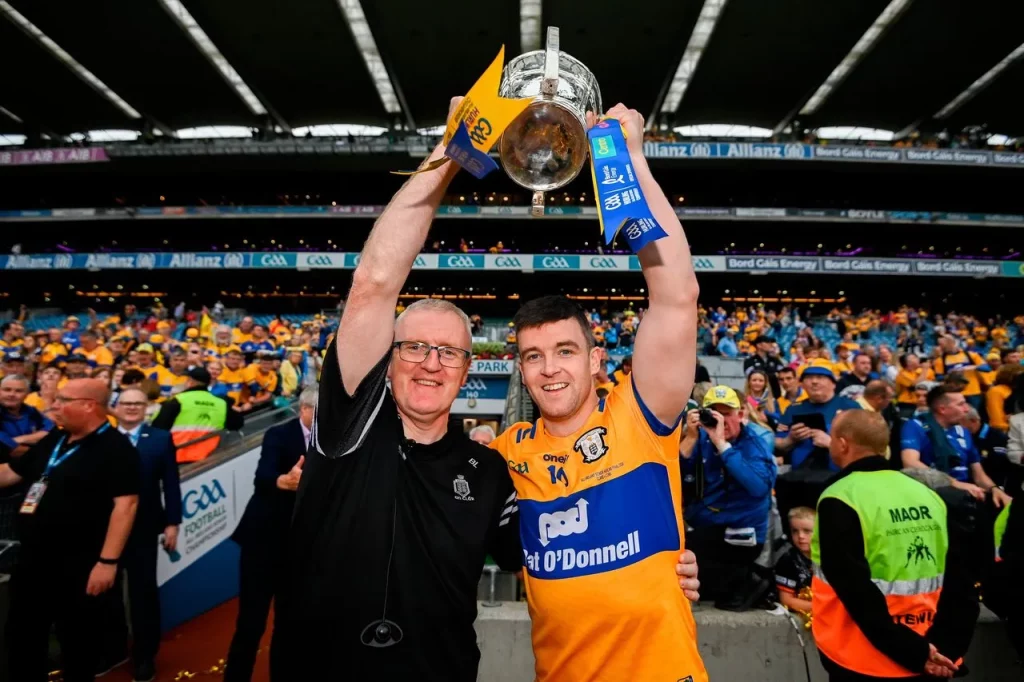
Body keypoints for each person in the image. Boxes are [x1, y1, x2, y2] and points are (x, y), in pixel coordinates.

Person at [273, 99, 700, 681]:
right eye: (415, 348)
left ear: (469, 368)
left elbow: (676, 297)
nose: (430, 363)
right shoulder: (365, 431)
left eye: (448, 351)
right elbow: (375, 283)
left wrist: (630, 161)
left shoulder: (500, 463)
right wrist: (452, 151)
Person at [491, 102, 708, 682]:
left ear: (596, 360)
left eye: (565, 352)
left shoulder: (639, 414)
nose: (550, 370)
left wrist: (630, 159)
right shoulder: (505, 454)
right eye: (533, 357)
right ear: (520, 368)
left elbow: (676, 295)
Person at [0, 378, 140, 681]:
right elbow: (11, 473)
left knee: (78, 643)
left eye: (62, 400)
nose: (53, 407)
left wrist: (107, 563)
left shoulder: (116, 448)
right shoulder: (55, 439)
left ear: (88, 406)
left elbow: (125, 506)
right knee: (22, 636)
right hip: (33, 561)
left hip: (81, 565)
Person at [812, 410, 959, 681]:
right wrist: (940, 649)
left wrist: (914, 653)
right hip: (931, 648)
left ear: (843, 443)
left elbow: (855, 589)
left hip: (862, 655)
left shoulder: (840, 496)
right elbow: (957, 576)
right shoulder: (927, 494)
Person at [225, 387, 315, 682]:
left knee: (289, 626)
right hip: (262, 543)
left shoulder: (335, 440)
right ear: (303, 408)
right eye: (320, 411)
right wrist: (283, 481)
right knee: (251, 623)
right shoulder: (278, 435)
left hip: (300, 548)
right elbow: (262, 476)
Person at [95, 387, 181, 682]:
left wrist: (173, 522)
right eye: (126, 403)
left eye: (138, 403)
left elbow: (171, 482)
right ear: (115, 407)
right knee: (105, 592)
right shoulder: (101, 437)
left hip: (144, 527)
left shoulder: (160, 438)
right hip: (103, 529)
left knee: (143, 592)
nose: (132, 408)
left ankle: (145, 656)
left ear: (147, 408)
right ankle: (113, 650)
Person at [680, 385, 776, 610]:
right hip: (708, 525)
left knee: (698, 576)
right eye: (715, 414)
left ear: (741, 415)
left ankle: (751, 581)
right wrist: (690, 437)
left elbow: (758, 487)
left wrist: (723, 446)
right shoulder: (701, 439)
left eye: (726, 414)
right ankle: (737, 582)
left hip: (741, 532)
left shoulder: (755, 443)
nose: (721, 420)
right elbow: (677, 474)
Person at [901, 385, 1011, 507]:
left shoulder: (963, 432)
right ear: (943, 409)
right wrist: (955, 483)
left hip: (964, 496)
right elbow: (910, 462)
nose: (966, 409)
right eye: (961, 404)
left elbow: (978, 474)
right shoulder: (916, 426)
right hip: (932, 496)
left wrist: (995, 489)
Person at [151, 366, 242, 463]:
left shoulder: (177, 401)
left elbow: (157, 428)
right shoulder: (221, 403)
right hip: (210, 457)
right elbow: (237, 423)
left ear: (190, 381)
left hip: (177, 457)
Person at [775, 506, 815, 618]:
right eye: (795, 531)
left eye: (807, 531)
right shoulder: (788, 560)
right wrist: (823, 608)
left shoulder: (829, 559)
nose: (800, 536)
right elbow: (786, 600)